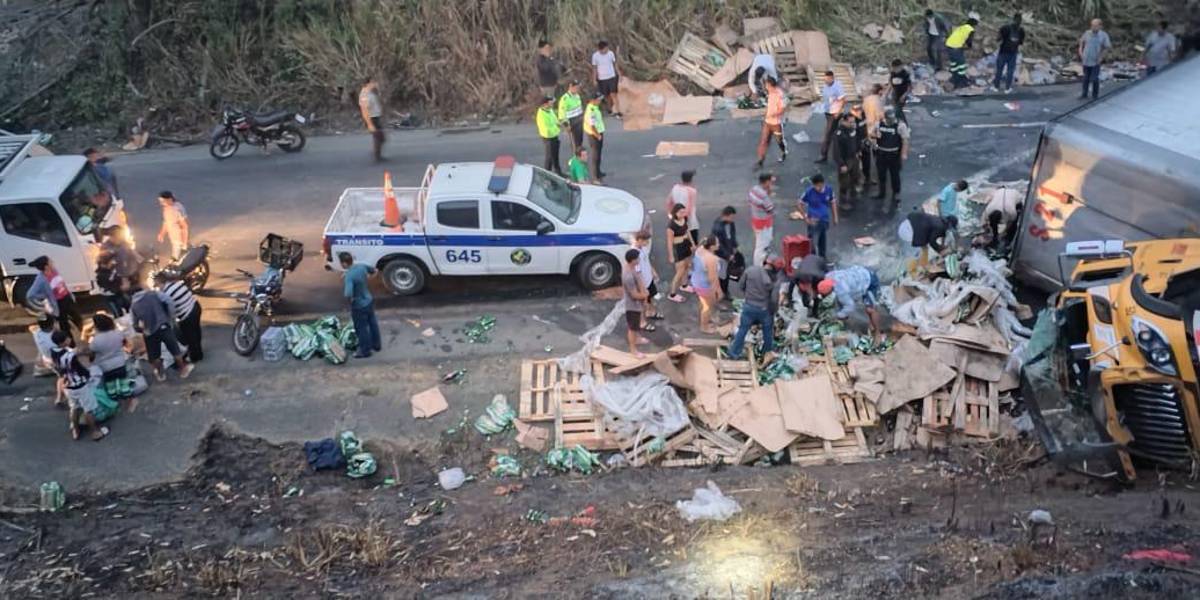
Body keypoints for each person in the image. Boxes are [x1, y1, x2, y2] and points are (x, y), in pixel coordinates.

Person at [51, 331, 108, 441]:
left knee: (74, 407)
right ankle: (95, 432)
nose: (69, 339)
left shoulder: (54, 352)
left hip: (68, 385)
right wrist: (87, 374)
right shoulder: (71, 356)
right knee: (88, 409)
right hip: (80, 385)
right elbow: (79, 369)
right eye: (67, 338)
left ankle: (75, 430)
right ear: (63, 342)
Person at [131, 285, 193, 381]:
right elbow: (169, 302)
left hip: (149, 332)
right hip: (163, 326)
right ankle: (183, 370)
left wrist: (141, 330)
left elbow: (134, 324)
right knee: (175, 349)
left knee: (154, 355)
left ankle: (161, 374)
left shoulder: (133, 305)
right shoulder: (154, 294)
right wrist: (171, 317)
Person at [728, 255, 784, 360]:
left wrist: (749, 295)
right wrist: (773, 311)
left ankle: (734, 352)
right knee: (768, 331)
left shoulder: (750, 270)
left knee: (743, 330)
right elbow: (774, 299)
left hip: (749, 306)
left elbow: (741, 286)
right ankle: (766, 353)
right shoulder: (775, 280)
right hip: (764, 309)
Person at [817, 265, 883, 342]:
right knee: (843, 308)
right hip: (859, 273)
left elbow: (850, 306)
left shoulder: (841, 290)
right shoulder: (828, 276)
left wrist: (837, 316)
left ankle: (878, 333)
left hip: (869, 280)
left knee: (870, 309)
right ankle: (871, 328)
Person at [27, 256, 83, 339]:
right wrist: (46, 296)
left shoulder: (54, 271)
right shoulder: (41, 279)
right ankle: (71, 346)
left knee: (77, 318)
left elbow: (61, 283)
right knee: (64, 325)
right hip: (59, 303)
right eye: (50, 262)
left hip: (67, 298)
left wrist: (69, 294)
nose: (52, 262)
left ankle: (85, 334)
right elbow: (30, 295)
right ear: (46, 266)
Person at [340, 252, 381, 359]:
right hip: (369, 299)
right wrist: (366, 280)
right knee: (372, 323)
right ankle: (376, 345)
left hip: (359, 305)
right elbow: (375, 271)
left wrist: (350, 303)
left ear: (344, 264)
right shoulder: (361, 266)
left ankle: (365, 351)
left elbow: (348, 294)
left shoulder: (349, 276)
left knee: (361, 329)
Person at [158, 274, 203, 363]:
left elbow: (170, 310)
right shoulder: (177, 283)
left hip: (187, 315)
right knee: (196, 330)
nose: (157, 288)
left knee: (190, 336)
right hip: (195, 306)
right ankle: (198, 351)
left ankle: (195, 357)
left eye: (157, 285)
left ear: (161, 283)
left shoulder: (166, 293)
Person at [873, 108, 910, 205]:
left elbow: (905, 140)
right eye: (889, 119)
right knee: (881, 174)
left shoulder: (900, 125)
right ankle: (881, 193)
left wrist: (904, 153)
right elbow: (872, 134)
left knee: (895, 175)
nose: (891, 121)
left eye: (892, 119)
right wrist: (875, 135)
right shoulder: (879, 124)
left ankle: (896, 193)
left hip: (894, 154)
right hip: (881, 153)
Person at [798, 174, 838, 258]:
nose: (815, 187)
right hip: (813, 221)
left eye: (816, 185)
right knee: (812, 241)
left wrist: (835, 217)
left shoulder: (829, 190)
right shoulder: (809, 191)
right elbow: (799, 203)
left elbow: (833, 202)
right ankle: (812, 259)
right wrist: (805, 218)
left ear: (821, 184)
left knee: (822, 240)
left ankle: (822, 258)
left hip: (824, 220)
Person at [691, 237, 723, 334]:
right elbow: (712, 278)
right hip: (704, 286)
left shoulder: (700, 249)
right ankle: (704, 326)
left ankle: (707, 319)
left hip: (696, 280)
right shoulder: (711, 259)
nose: (719, 245)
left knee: (706, 304)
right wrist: (718, 290)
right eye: (717, 243)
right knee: (707, 307)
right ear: (712, 246)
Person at [755, 77, 788, 169]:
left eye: (766, 84)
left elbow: (782, 109)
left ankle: (783, 151)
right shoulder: (769, 93)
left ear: (769, 85)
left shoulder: (779, 94)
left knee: (779, 140)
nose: (765, 86)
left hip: (776, 123)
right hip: (767, 122)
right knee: (764, 141)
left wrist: (773, 114)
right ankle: (760, 160)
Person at [87, 313, 130, 384]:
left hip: (106, 369)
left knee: (111, 389)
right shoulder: (118, 333)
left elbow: (91, 357)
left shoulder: (95, 340)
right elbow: (125, 344)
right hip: (121, 364)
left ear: (96, 326)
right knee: (125, 386)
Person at [621, 249, 649, 357]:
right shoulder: (627, 276)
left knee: (636, 325)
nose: (639, 260)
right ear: (632, 260)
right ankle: (633, 350)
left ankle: (637, 339)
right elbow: (633, 295)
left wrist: (644, 293)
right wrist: (645, 295)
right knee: (632, 328)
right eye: (637, 258)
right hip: (632, 305)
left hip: (638, 303)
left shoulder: (632, 267)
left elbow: (639, 279)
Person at [631, 230, 661, 330]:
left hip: (649, 280)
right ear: (639, 240)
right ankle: (642, 322)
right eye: (646, 241)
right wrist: (641, 287)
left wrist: (653, 271)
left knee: (651, 297)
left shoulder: (642, 248)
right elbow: (637, 273)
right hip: (642, 283)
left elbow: (647, 261)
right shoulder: (634, 254)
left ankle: (650, 312)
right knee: (642, 304)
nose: (647, 243)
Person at [833, 112, 862, 211]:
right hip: (845, 160)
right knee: (844, 182)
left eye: (853, 122)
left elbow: (856, 140)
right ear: (844, 121)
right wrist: (842, 164)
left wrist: (858, 151)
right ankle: (843, 202)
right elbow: (836, 151)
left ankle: (853, 193)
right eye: (850, 122)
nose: (852, 124)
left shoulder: (852, 129)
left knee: (855, 176)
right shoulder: (839, 133)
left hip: (854, 157)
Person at [665, 204, 695, 303]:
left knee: (686, 266)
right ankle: (672, 294)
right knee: (679, 271)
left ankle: (684, 285)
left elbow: (688, 232)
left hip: (685, 245)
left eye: (684, 212)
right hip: (677, 249)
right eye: (680, 212)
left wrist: (692, 243)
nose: (683, 214)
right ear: (675, 213)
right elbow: (669, 241)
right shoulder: (671, 226)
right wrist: (671, 255)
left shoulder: (684, 219)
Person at [815, 70, 846, 163]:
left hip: (834, 114)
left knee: (827, 134)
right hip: (828, 112)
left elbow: (843, 100)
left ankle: (823, 155)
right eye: (825, 79)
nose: (825, 81)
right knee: (835, 133)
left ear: (832, 78)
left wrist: (838, 112)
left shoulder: (837, 86)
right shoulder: (825, 85)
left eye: (827, 79)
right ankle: (841, 153)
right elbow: (825, 97)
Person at [748, 173, 777, 266]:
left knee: (759, 243)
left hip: (756, 220)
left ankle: (759, 263)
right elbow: (770, 208)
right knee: (762, 245)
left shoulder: (753, 190)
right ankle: (759, 265)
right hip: (764, 223)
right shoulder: (763, 196)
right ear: (767, 182)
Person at [983, 186, 1024, 251]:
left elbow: (1010, 223)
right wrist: (987, 231)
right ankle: (995, 237)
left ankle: (1008, 243)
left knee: (1012, 227)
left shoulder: (1011, 211)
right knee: (994, 230)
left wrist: (1003, 233)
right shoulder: (988, 210)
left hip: (1017, 199)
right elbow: (984, 223)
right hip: (1001, 194)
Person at [1079, 19, 1112, 100]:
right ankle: (1084, 94)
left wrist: (1101, 57)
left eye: (1095, 26)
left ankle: (1095, 95)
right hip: (1086, 59)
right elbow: (1081, 41)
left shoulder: (1103, 35)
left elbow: (1107, 47)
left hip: (1095, 60)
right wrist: (1080, 51)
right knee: (1085, 78)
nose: (1093, 27)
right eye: (1092, 25)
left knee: (1094, 78)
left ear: (1100, 26)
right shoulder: (1087, 33)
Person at [994, 13, 1026, 93]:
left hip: (1003, 52)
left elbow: (998, 39)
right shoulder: (1021, 30)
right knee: (1010, 71)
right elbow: (1020, 43)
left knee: (999, 70)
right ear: (1021, 21)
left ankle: (996, 87)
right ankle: (1007, 88)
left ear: (1013, 19)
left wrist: (999, 39)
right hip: (1013, 53)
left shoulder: (1005, 28)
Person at [711, 206, 739, 297]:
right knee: (722, 274)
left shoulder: (730, 223)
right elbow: (719, 245)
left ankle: (724, 290)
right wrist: (727, 255)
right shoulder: (717, 228)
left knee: (726, 272)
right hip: (722, 255)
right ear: (726, 216)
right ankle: (721, 292)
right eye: (732, 217)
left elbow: (733, 235)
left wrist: (734, 246)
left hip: (729, 250)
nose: (733, 219)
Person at [666, 170, 700, 243]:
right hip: (689, 222)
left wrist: (672, 216)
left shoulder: (675, 188)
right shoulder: (692, 191)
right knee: (691, 242)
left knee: (679, 242)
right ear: (691, 180)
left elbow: (668, 203)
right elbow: (689, 208)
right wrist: (684, 220)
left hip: (677, 218)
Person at [945, 18, 978, 89]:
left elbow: (959, 36)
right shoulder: (971, 30)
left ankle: (954, 77)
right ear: (974, 25)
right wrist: (969, 47)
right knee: (961, 63)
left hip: (948, 45)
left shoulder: (961, 27)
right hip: (956, 47)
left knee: (954, 62)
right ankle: (961, 80)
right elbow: (969, 40)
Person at [358, 76, 385, 161]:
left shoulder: (370, 93)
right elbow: (364, 110)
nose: (376, 84)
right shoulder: (365, 95)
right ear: (369, 83)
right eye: (374, 82)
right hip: (371, 118)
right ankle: (377, 156)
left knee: (380, 137)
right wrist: (369, 124)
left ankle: (377, 154)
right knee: (379, 137)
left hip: (375, 117)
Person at [591, 40, 622, 116]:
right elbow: (594, 68)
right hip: (602, 78)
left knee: (613, 94)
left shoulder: (611, 53)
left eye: (607, 48)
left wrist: (619, 74)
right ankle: (610, 109)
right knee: (606, 95)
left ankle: (618, 111)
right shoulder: (595, 56)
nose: (607, 50)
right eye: (605, 49)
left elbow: (615, 64)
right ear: (601, 49)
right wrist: (594, 79)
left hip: (611, 76)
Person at [156, 191, 189, 260]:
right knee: (177, 259)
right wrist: (162, 234)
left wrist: (184, 244)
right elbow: (166, 222)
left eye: (163, 201)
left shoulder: (177, 209)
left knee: (175, 261)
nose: (161, 203)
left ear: (169, 199)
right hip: (174, 238)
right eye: (160, 201)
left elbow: (184, 226)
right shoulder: (166, 208)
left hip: (179, 239)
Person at [94, 251, 129, 317]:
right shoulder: (101, 274)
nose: (113, 262)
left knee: (128, 307)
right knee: (118, 314)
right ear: (104, 263)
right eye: (111, 261)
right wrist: (121, 287)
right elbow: (107, 285)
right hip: (111, 296)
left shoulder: (112, 268)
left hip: (119, 293)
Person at [536, 96, 563, 176]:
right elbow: (546, 131)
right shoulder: (541, 115)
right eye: (551, 102)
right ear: (545, 104)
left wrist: (559, 124)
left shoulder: (550, 110)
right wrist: (557, 129)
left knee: (555, 156)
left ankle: (558, 173)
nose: (553, 103)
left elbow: (555, 120)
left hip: (554, 136)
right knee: (549, 158)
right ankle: (547, 176)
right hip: (548, 139)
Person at [583, 93, 606, 182]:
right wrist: (598, 135)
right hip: (594, 135)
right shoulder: (591, 110)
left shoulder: (594, 107)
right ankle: (595, 176)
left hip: (598, 132)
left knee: (599, 154)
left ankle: (598, 172)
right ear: (593, 100)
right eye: (598, 99)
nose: (599, 101)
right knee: (595, 155)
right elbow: (592, 126)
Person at [557, 80, 585, 151]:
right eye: (576, 87)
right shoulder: (565, 99)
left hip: (579, 119)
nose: (578, 89)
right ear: (570, 87)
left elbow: (579, 107)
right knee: (574, 142)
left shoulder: (577, 96)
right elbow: (562, 114)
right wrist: (566, 125)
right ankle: (576, 157)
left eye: (578, 87)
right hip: (571, 121)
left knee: (580, 140)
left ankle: (580, 155)